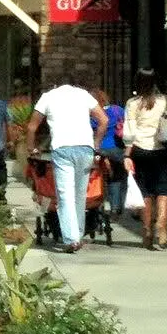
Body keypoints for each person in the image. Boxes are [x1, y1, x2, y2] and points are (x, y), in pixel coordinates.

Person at [29, 74, 107, 253]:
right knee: (80, 195)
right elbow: (104, 120)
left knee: (65, 196)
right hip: (85, 148)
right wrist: (96, 144)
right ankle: (77, 235)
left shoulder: (48, 97)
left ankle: (71, 239)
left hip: (62, 149)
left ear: (56, 85)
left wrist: (31, 149)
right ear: (74, 84)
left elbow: (32, 127)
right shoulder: (84, 95)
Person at [123, 68, 167, 249]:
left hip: (140, 150)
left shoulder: (133, 103)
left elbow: (129, 132)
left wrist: (126, 155)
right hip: (163, 150)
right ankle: (161, 226)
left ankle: (147, 230)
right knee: (163, 188)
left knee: (145, 191)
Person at [95, 88, 127, 219]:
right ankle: (116, 207)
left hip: (99, 150)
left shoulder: (93, 114)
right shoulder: (118, 109)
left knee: (98, 178)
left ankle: (98, 205)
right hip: (117, 149)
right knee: (117, 178)